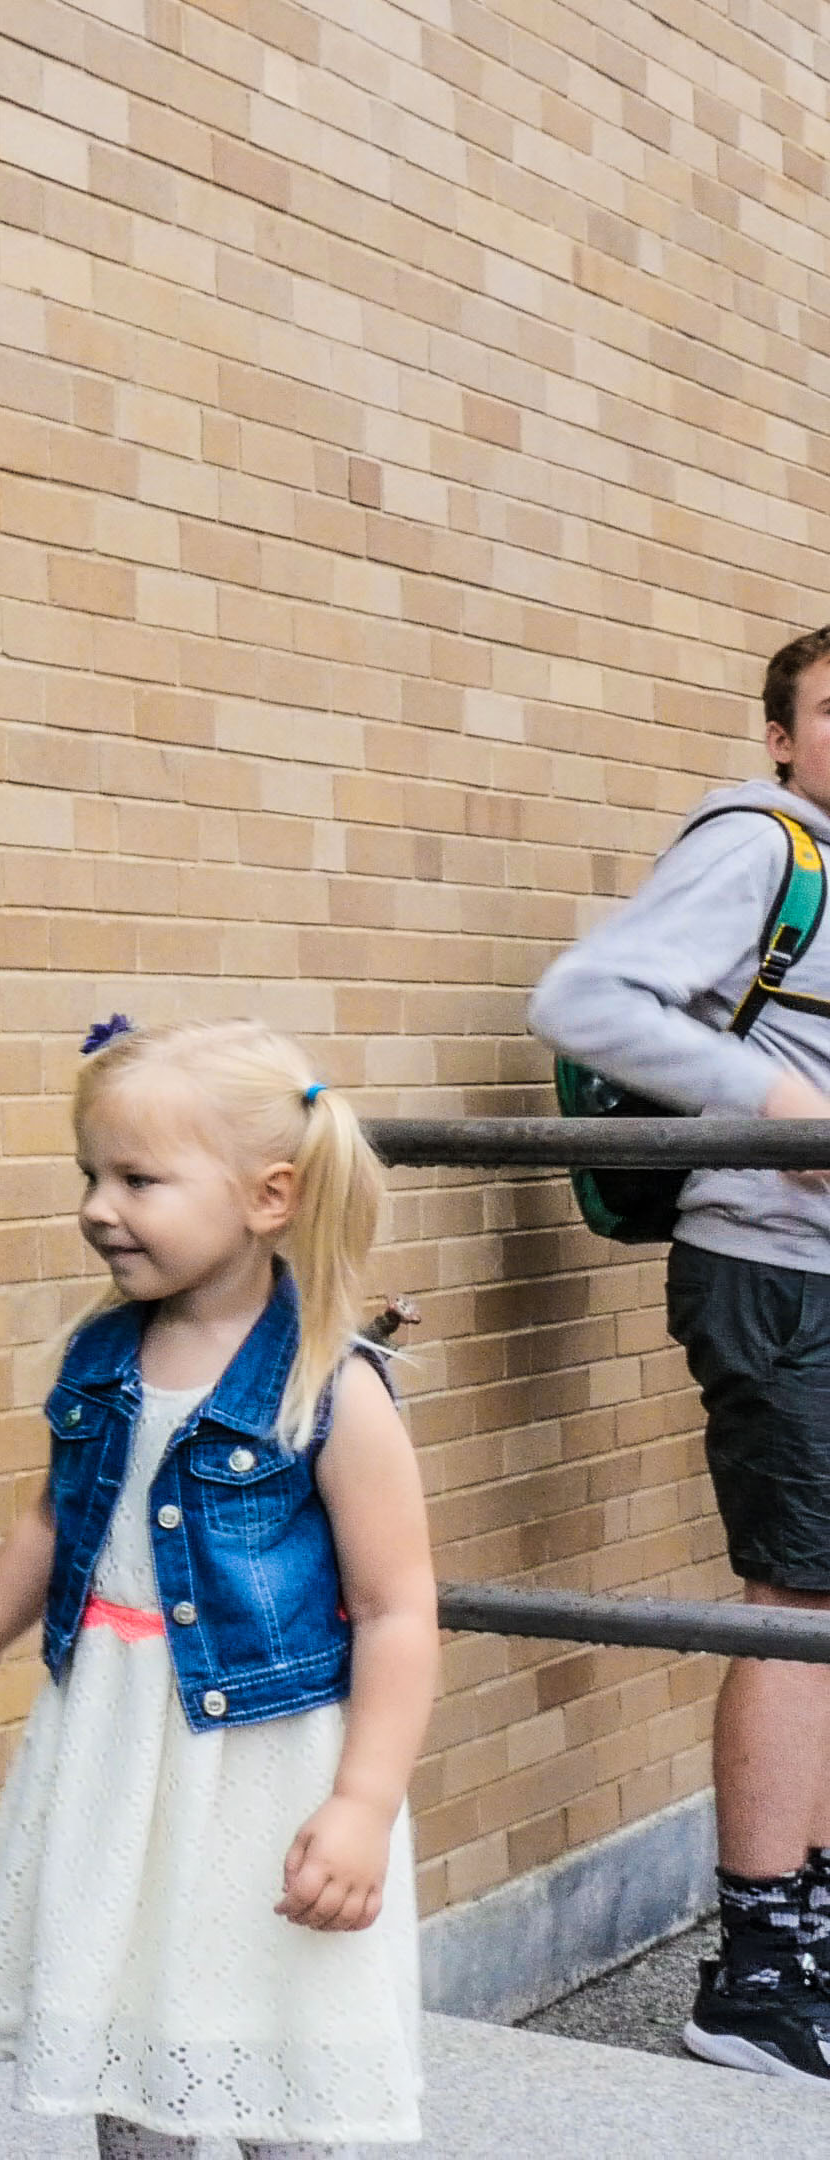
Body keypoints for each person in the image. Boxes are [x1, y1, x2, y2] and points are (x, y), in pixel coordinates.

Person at [0, 1018, 436, 2156]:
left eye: (138, 1180)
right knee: (126, 2020)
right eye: (91, 1175)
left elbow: (396, 1610)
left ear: (268, 1197)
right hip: (115, 1747)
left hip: (262, 1768)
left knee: (272, 2033)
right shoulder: (102, 1359)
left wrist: (364, 1804)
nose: (99, 1207)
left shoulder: (329, 1389)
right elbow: (55, 1522)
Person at [527, 623, 830, 2083]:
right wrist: (773, 1109)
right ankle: (754, 1976)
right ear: (782, 735)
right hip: (777, 1273)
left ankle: (808, 1932)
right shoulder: (765, 842)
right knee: (797, 1600)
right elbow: (582, 1001)